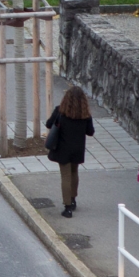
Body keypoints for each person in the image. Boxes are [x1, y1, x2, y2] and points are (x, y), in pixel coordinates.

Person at [44, 87, 94, 218]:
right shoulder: (85, 115)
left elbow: (49, 124)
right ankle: (72, 199)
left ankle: (67, 208)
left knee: (65, 176)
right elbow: (90, 132)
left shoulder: (60, 111)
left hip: (63, 149)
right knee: (74, 173)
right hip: (77, 149)